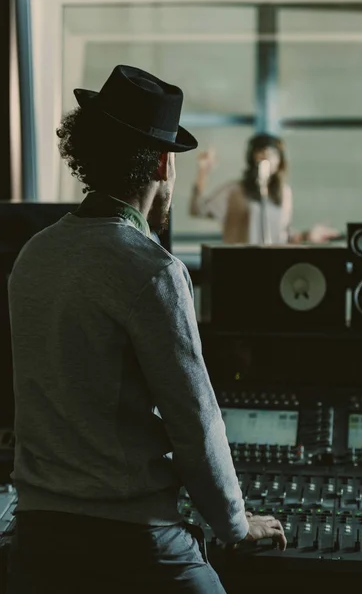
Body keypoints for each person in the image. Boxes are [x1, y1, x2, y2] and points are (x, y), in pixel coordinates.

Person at [6, 66, 286, 594]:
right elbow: (194, 421)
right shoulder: (151, 269)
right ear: (162, 162)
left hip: (38, 541)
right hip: (133, 540)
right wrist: (235, 524)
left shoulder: (33, 256)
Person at [190, 132, 339, 245]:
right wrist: (203, 172)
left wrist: (307, 236)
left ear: (280, 160)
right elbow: (198, 209)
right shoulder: (235, 190)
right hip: (237, 263)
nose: (266, 157)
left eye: (272, 153)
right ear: (252, 157)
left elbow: (283, 236)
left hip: (272, 264)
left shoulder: (283, 192)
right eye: (261, 152)